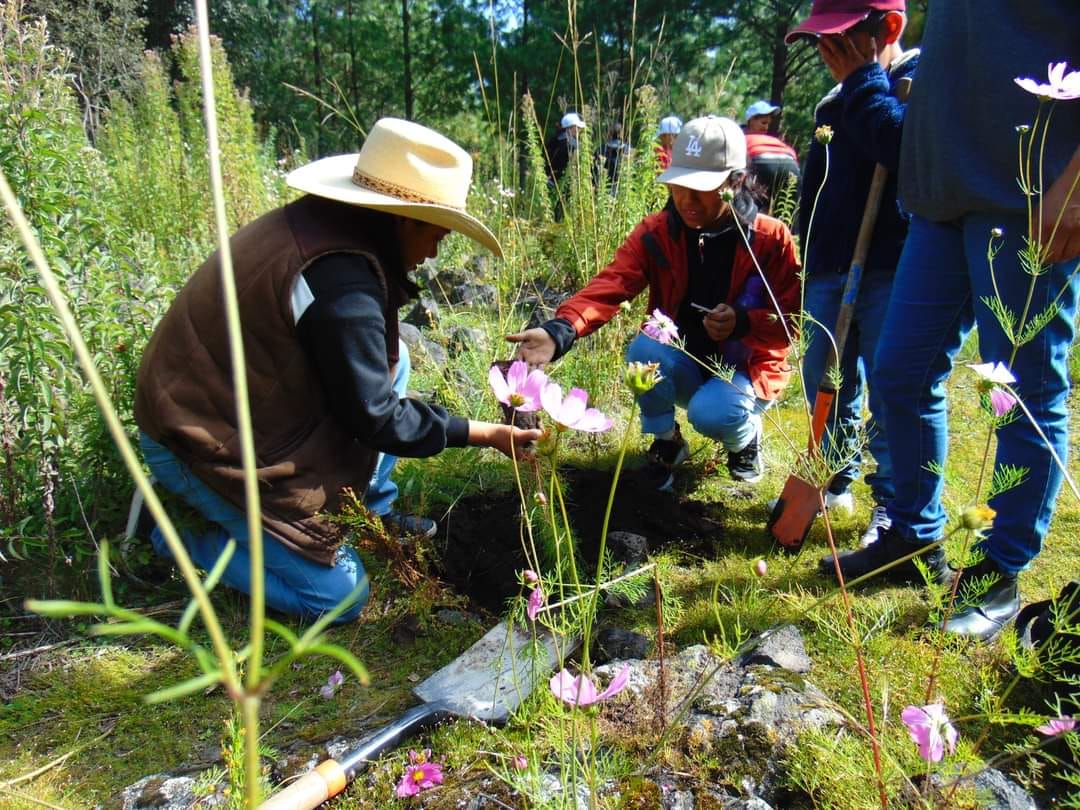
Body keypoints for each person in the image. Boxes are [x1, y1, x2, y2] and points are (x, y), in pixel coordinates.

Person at [131, 118, 541, 623]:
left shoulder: (329, 224)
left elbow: (363, 378)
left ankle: (377, 508)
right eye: (435, 233)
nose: (435, 251)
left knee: (399, 358)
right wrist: (484, 434)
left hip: (238, 407)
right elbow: (374, 416)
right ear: (400, 220)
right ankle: (179, 536)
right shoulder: (340, 279)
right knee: (338, 597)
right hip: (199, 440)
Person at [822, 2, 1080, 642]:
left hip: (1033, 193)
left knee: (1021, 391)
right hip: (940, 197)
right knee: (899, 373)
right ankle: (914, 534)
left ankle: (1000, 568)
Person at [508, 116, 801, 488]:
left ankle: (745, 438)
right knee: (644, 350)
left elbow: (790, 323)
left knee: (713, 414)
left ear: (734, 181)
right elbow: (612, 283)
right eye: (679, 185)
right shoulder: (657, 233)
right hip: (686, 364)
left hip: (746, 372)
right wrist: (560, 331)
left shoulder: (770, 239)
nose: (686, 200)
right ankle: (668, 442)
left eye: (702, 188)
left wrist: (743, 322)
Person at [783, 0, 917, 547]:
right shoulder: (833, 102)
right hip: (831, 267)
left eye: (840, 38)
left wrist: (867, 81)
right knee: (824, 375)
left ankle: (893, 501)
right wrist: (809, 260)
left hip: (889, 264)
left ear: (887, 28)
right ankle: (836, 473)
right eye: (821, 40)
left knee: (889, 383)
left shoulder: (913, 84)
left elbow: (900, 148)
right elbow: (817, 190)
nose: (827, 53)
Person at [545, 111, 587, 186]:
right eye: (577, 127)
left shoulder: (554, 138)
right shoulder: (571, 144)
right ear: (570, 127)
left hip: (548, 180)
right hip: (562, 184)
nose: (580, 129)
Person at [595, 122, 631, 190]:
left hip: (604, 186)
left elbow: (594, 168)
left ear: (609, 134)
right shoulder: (627, 149)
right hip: (623, 187)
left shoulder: (601, 149)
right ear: (621, 134)